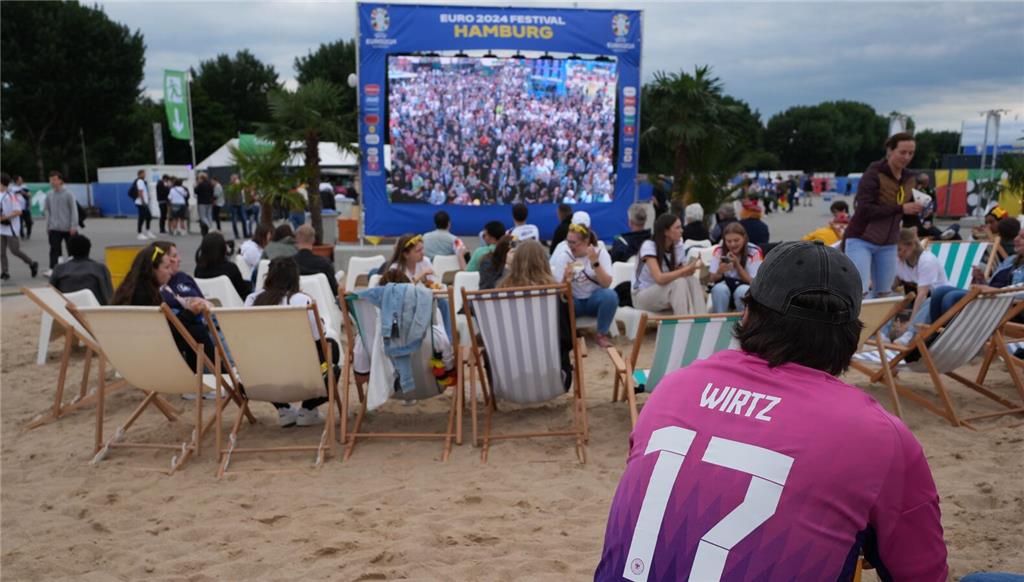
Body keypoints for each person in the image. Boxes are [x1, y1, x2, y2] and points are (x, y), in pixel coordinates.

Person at [596, 240, 948, 581]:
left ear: (747, 314)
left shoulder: (671, 390)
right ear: (852, 338)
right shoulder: (877, 437)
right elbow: (922, 573)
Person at [246, 257, 338, 427]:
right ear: (295, 278)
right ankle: (308, 409)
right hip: (303, 377)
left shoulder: (252, 301)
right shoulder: (302, 301)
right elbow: (319, 340)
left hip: (263, 379)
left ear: (269, 276)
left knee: (263, 355)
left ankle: (284, 409)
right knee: (333, 351)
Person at [111, 242, 218, 374]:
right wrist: (190, 313)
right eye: (166, 267)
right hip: (149, 350)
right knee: (197, 331)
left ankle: (204, 378)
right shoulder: (146, 296)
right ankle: (222, 376)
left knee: (193, 329)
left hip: (127, 350)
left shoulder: (129, 290)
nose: (170, 272)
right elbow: (167, 331)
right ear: (153, 270)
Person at [845, 132, 923, 298]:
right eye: (902, 152)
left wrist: (918, 211)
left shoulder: (910, 178)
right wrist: (901, 209)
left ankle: (880, 325)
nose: (907, 157)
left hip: (888, 243)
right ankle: (858, 324)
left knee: (884, 293)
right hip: (861, 239)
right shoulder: (873, 174)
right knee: (861, 292)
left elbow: (906, 215)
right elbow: (864, 209)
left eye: (911, 153)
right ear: (890, 150)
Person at [927, 229, 1024, 327]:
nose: (1016, 239)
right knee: (939, 291)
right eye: (1017, 235)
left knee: (952, 297)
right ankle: (936, 335)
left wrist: (993, 290)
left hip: (1004, 306)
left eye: (1022, 237)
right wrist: (981, 279)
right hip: (990, 297)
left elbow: (1020, 293)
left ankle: (952, 338)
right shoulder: (1011, 260)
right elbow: (992, 285)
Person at [550, 214, 617, 348]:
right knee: (557, 303)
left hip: (594, 300)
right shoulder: (564, 256)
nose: (570, 246)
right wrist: (565, 279)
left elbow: (606, 283)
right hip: (574, 302)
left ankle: (601, 334)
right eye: (568, 241)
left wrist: (595, 263)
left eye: (574, 243)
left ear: (586, 242)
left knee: (610, 296)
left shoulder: (600, 253)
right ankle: (569, 335)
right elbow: (558, 292)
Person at [632, 213, 705, 315]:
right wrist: (684, 270)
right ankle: (683, 325)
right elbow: (659, 278)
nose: (682, 230)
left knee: (692, 280)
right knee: (679, 283)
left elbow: (681, 272)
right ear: (666, 231)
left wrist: (692, 268)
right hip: (642, 295)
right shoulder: (649, 246)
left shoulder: (677, 245)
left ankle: (701, 320)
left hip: (664, 291)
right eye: (677, 228)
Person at [889, 228, 949, 345]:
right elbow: (892, 285)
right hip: (919, 300)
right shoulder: (900, 260)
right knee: (888, 296)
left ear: (911, 245)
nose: (898, 253)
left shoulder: (926, 261)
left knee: (929, 301)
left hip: (939, 300)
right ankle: (881, 334)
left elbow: (922, 295)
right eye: (895, 250)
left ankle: (910, 334)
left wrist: (910, 323)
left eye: (900, 249)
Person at [708, 222, 763, 313]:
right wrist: (719, 271)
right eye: (729, 241)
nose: (732, 244)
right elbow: (711, 279)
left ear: (744, 238)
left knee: (742, 291)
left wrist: (737, 265)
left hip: (745, 287)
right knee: (719, 289)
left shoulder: (754, 252)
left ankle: (744, 323)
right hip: (726, 286)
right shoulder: (719, 251)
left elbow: (754, 282)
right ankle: (720, 322)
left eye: (736, 240)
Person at [49, 234, 112, 304]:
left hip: (66, 310)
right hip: (94, 310)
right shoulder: (100, 269)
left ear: (69, 250)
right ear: (88, 250)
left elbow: (49, 294)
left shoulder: (59, 269)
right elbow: (109, 296)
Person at [1, 173, 39, 280]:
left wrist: (5, 217)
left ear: (3, 184)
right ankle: (5, 272)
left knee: (15, 250)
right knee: (1, 252)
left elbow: (18, 212)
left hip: (10, 228)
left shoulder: (11, 196)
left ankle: (32, 263)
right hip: (1, 228)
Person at [194, 231, 251, 299]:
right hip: (232, 305)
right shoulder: (231, 268)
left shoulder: (198, 269)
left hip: (208, 304)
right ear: (223, 249)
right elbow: (243, 292)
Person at [43, 171, 78, 276]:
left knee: (72, 249)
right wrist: (48, 225)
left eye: (54, 179)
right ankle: (53, 269)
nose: (52, 182)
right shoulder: (49, 195)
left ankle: (75, 268)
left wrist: (73, 226)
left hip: (68, 228)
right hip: (54, 228)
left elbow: (74, 210)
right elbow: (47, 210)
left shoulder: (68, 194)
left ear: (60, 180)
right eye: (50, 180)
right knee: (54, 249)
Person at [292, 224, 338, 297]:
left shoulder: (289, 264)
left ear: (296, 239)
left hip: (296, 303)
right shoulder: (324, 263)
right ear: (313, 240)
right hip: (321, 302)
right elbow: (334, 290)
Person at [225, 173, 249, 240]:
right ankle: (236, 234)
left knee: (244, 219)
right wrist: (235, 185)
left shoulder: (240, 185)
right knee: (234, 220)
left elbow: (246, 187)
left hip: (240, 204)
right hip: (233, 204)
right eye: (234, 178)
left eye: (236, 178)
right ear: (231, 179)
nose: (235, 179)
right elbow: (230, 192)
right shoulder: (230, 186)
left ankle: (245, 234)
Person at [133, 169, 155, 240]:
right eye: (143, 174)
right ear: (140, 174)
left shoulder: (142, 181)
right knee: (141, 218)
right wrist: (143, 201)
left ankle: (148, 231)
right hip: (141, 203)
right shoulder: (139, 181)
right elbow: (140, 192)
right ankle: (139, 233)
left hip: (144, 202)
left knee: (148, 216)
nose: (145, 175)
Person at [194, 172, 215, 237]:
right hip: (209, 202)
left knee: (203, 216)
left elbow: (196, 191)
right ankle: (211, 226)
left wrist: (195, 186)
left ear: (201, 178)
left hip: (202, 202)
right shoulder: (210, 184)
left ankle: (209, 227)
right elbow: (212, 193)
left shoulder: (200, 184)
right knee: (209, 215)